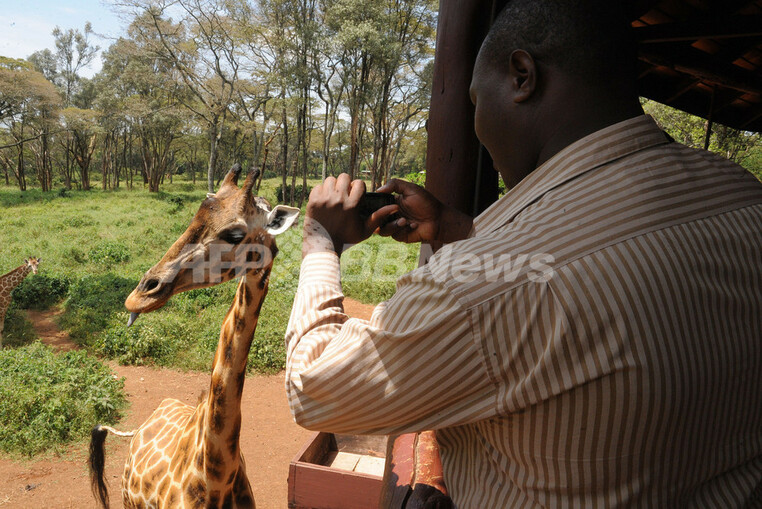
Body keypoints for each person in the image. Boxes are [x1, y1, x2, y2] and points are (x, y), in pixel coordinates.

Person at [284, 0, 762, 506]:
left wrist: (321, 242)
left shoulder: (481, 290)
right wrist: (453, 228)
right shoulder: (742, 194)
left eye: (475, 101)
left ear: (521, 76)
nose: (476, 124)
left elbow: (315, 387)